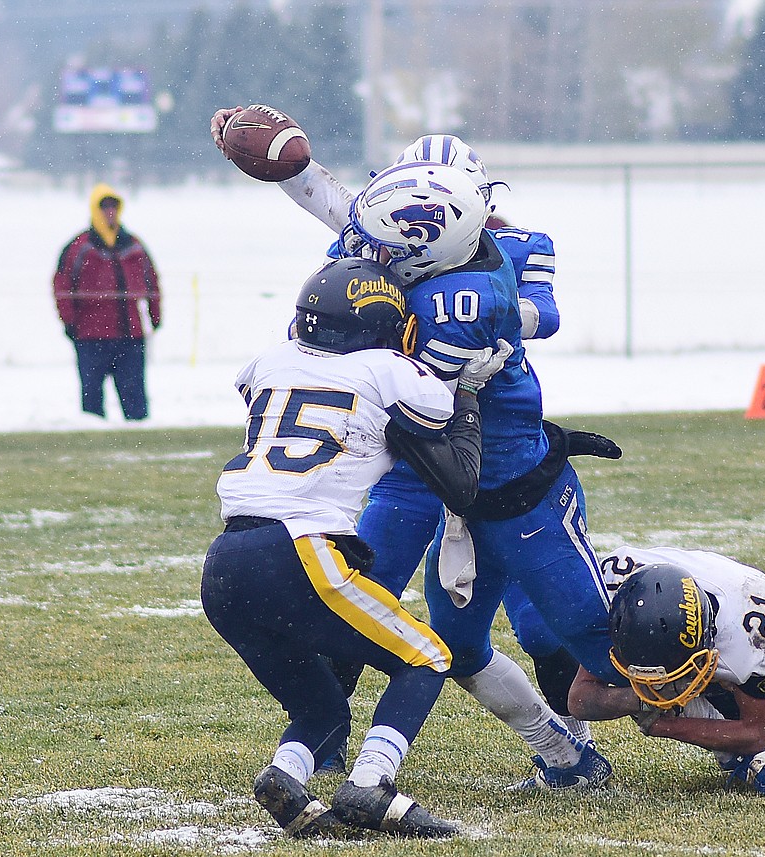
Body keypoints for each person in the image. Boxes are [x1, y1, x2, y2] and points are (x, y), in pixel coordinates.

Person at [212, 111, 622, 791]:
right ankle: (331, 735)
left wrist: (493, 320)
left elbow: (543, 315)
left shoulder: (507, 252)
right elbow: (332, 204)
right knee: (366, 591)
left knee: (567, 625)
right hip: (413, 452)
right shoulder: (389, 235)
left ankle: (745, 730)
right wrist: (293, 171)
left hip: (501, 455)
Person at [201, 255, 510, 837]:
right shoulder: (386, 370)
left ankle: (285, 779)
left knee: (320, 708)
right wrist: (466, 394)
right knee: (426, 657)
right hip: (297, 548)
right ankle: (371, 785)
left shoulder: (267, 364)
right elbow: (459, 479)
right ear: (381, 327)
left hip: (224, 564)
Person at [567, 546, 765, 798]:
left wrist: (662, 726)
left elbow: (756, 732)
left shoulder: (753, 644)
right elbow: (580, 700)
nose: (659, 680)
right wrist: (642, 699)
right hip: (720, 671)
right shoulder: (615, 594)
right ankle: (748, 759)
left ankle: (750, 750)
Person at [52, 184, 161, 421]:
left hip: (130, 334)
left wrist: (155, 316)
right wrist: (70, 322)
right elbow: (62, 285)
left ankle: (137, 442)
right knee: (92, 400)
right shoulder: (79, 247)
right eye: (104, 207)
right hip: (91, 336)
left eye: (113, 207)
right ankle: (94, 443)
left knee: (135, 399)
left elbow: (152, 282)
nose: (109, 212)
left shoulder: (133, 245)